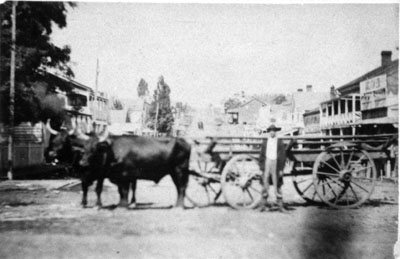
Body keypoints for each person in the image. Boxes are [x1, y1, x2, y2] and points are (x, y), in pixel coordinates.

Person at [258, 124, 287, 212]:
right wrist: (262, 167)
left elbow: (282, 156)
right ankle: (263, 205)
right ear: (268, 132)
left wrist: (281, 169)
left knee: (277, 184)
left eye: (274, 131)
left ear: (276, 132)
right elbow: (262, 154)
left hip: (276, 163)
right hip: (267, 162)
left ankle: (280, 205)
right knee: (265, 183)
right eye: (270, 131)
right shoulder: (265, 141)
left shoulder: (279, 141)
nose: (272, 132)